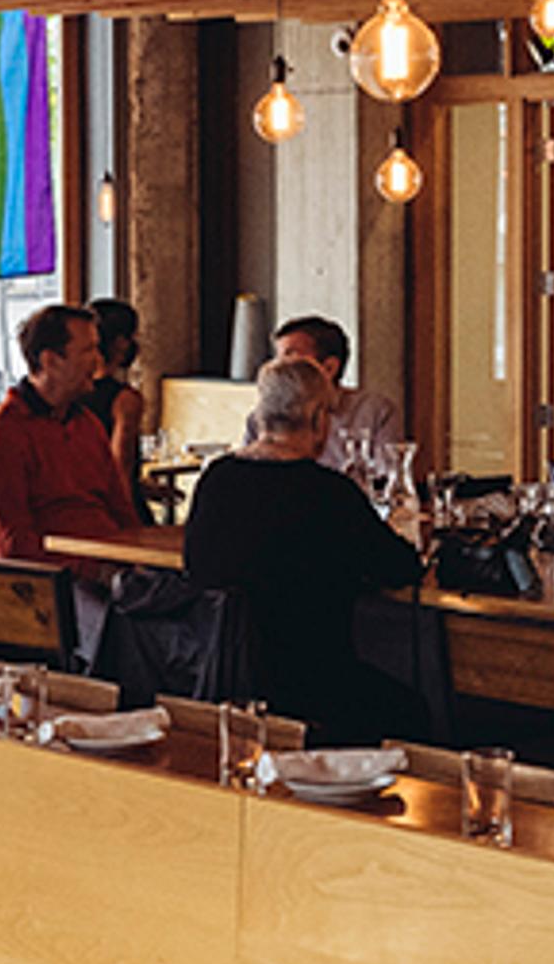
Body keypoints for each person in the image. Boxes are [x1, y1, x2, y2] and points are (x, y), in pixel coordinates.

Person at [182, 358, 424, 744]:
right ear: (316, 418)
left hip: (221, 676)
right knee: (418, 710)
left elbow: (195, 565)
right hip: (313, 686)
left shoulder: (217, 479)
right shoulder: (328, 493)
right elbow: (400, 567)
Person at [0, 302, 140, 569]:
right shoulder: (1, 434)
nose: (98, 360)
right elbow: (13, 546)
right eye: (88, 350)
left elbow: (123, 514)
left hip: (115, 568)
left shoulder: (87, 425)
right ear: (50, 361)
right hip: (55, 587)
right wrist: (98, 573)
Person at [259, 316, 405, 475]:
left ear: (329, 368)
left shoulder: (377, 412)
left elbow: (388, 478)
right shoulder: (265, 414)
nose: (278, 369)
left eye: (290, 357)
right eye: (277, 359)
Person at [85, 298, 149, 497]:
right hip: (111, 510)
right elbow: (120, 470)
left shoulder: (70, 393)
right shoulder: (125, 400)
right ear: (121, 343)